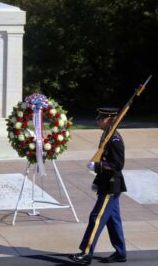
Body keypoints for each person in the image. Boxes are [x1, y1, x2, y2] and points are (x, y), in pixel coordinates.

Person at [69, 107, 127, 265]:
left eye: (101, 118)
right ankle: (120, 252)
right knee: (113, 220)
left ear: (110, 119)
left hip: (111, 186)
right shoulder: (106, 135)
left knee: (97, 217)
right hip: (106, 184)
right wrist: (97, 181)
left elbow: (117, 165)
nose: (97, 120)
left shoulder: (114, 140)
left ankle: (86, 253)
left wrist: (98, 167)